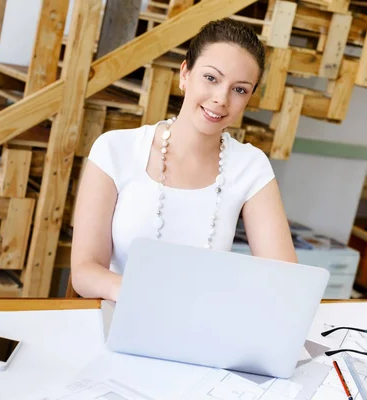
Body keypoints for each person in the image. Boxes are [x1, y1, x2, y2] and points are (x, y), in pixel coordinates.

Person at [71, 18, 297, 301]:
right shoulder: (115, 149)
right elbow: (84, 271)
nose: (221, 99)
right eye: (211, 78)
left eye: (239, 89)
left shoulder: (250, 166)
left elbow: (285, 279)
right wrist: (141, 295)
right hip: (122, 314)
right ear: (185, 75)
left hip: (202, 325)